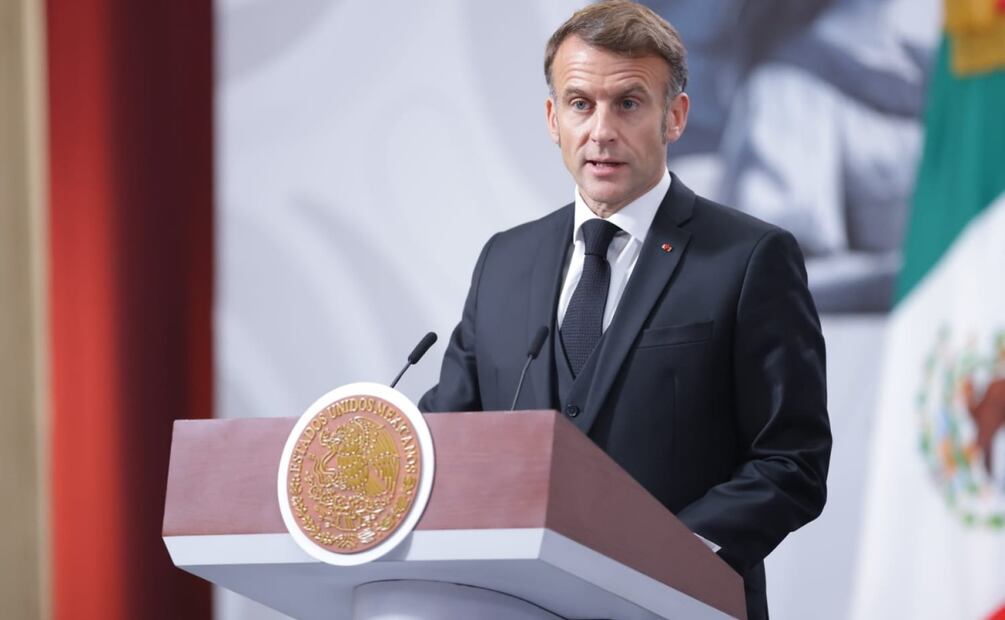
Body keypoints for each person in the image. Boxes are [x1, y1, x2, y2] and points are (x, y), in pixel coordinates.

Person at [419, 2, 832, 618]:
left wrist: (671, 555)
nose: (602, 130)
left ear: (676, 117)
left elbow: (791, 460)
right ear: (553, 118)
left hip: (680, 603)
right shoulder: (504, 261)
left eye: (630, 103)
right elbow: (448, 441)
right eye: (581, 103)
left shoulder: (750, 258)